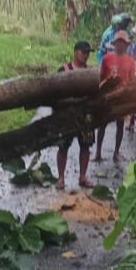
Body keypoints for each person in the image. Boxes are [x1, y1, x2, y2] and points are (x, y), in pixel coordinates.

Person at [55, 41, 95, 190]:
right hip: (67, 116)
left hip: (85, 115)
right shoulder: (63, 70)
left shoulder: (91, 72)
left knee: (85, 146)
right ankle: (61, 178)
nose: (86, 55)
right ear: (75, 52)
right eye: (83, 52)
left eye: (88, 53)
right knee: (63, 147)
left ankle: (83, 177)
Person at [96, 30, 136, 163]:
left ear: (126, 45)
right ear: (115, 44)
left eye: (123, 43)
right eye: (118, 42)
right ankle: (98, 152)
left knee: (120, 125)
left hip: (122, 97)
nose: (121, 45)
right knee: (102, 124)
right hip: (108, 96)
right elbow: (101, 77)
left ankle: (116, 152)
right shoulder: (107, 59)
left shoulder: (130, 61)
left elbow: (131, 81)